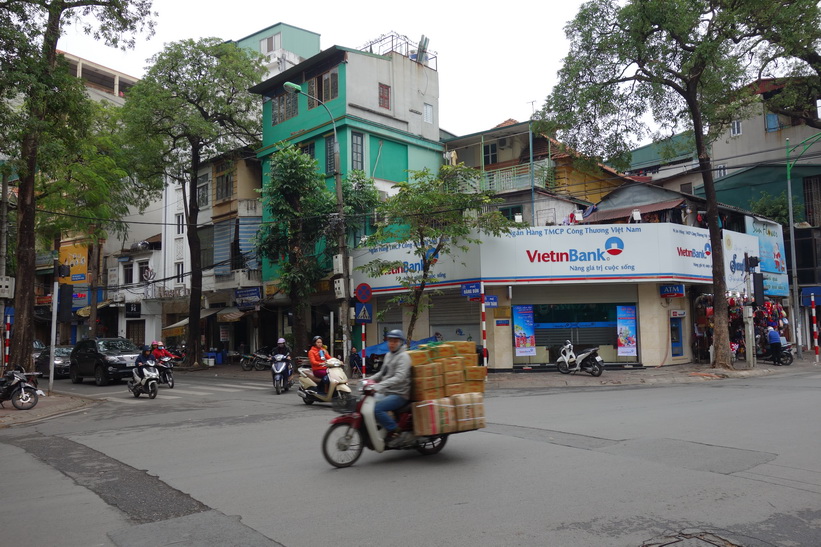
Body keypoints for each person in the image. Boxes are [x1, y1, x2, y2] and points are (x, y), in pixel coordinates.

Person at [369, 329, 412, 446]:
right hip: (387, 391)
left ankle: (395, 431)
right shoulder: (388, 355)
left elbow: (399, 377)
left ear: (400, 342)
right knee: (368, 402)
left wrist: (379, 385)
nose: (391, 344)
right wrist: (369, 380)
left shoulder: (404, 357)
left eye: (395, 341)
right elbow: (382, 373)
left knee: (377, 409)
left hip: (400, 394)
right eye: (390, 341)